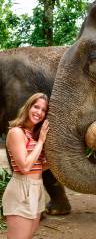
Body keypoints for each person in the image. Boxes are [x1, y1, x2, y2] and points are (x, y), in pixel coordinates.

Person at [2, 92, 49, 239]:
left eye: (43, 110)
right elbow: (24, 167)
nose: (39, 112)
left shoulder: (32, 135)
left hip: (37, 189)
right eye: (36, 107)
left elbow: (37, 167)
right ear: (28, 107)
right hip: (21, 191)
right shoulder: (16, 132)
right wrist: (41, 141)